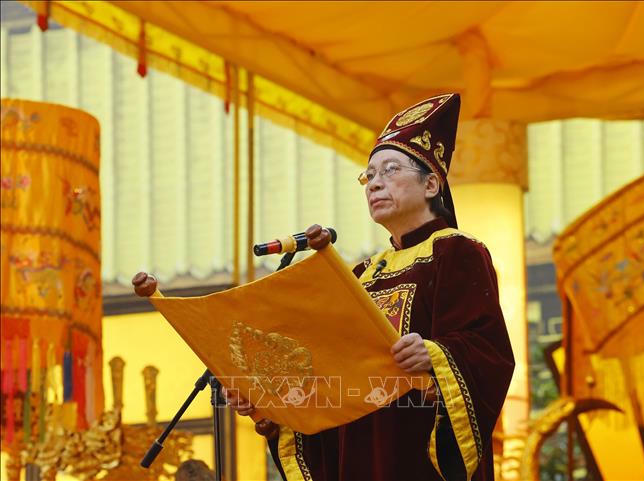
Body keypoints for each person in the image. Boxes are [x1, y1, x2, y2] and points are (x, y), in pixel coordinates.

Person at [134, 93, 514, 480]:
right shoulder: (363, 273)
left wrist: (434, 355)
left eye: (390, 171)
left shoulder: (455, 252)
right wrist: (269, 404)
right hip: (357, 452)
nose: (374, 184)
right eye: (369, 176)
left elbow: (487, 350)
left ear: (431, 183)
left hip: (414, 451)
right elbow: (327, 375)